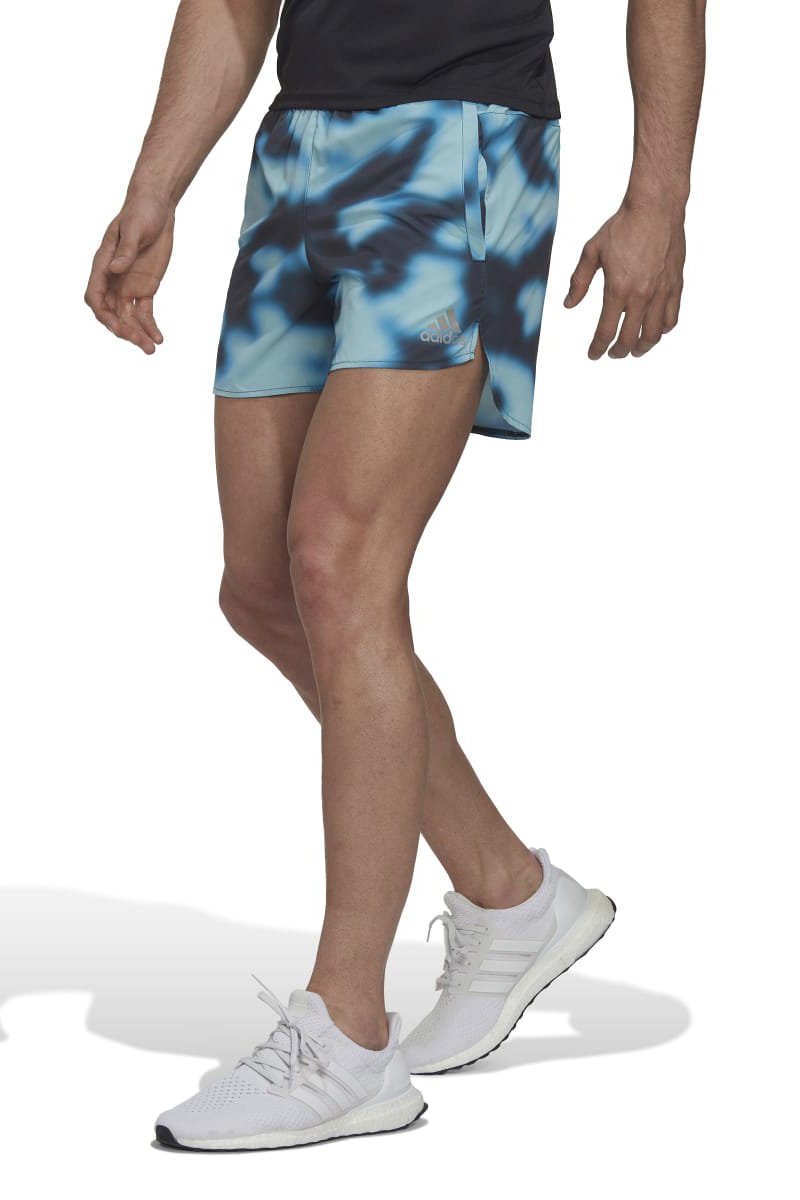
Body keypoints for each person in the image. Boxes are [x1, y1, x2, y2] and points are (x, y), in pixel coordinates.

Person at [85, 0, 706, 1152]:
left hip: (459, 136)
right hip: (301, 145)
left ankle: (348, 1035)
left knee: (338, 565)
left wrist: (656, 199)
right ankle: (511, 893)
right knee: (263, 590)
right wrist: (154, 185)